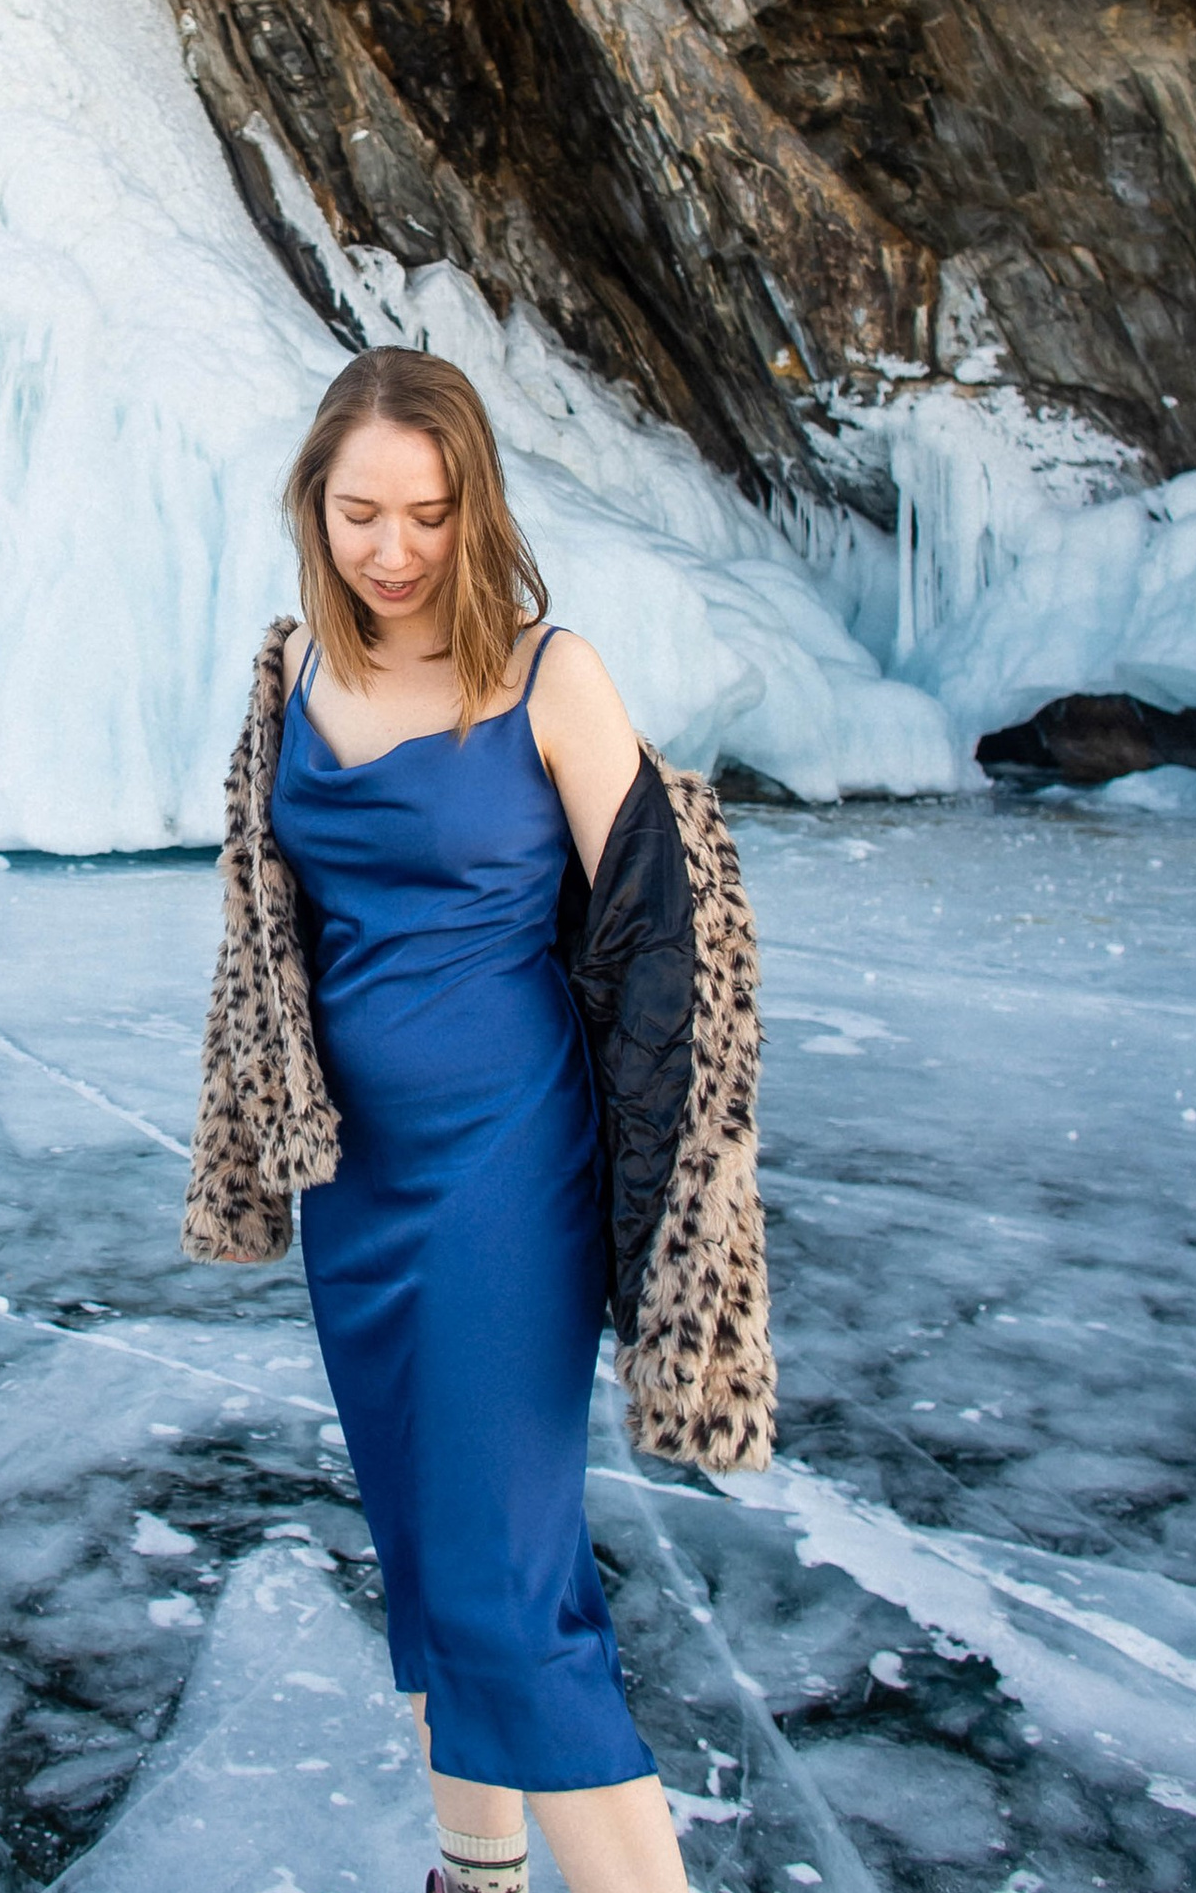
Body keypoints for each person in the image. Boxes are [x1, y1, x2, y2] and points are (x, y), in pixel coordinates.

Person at [183, 347, 775, 1893]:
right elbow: (272, 939)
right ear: (315, 502)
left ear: (475, 507)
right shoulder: (293, 674)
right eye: (361, 512)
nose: (393, 551)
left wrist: (681, 1205)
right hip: (355, 1191)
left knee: (515, 1588)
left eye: (429, 515)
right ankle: (478, 1878)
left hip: (510, 1170)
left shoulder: (546, 675)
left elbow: (664, 941)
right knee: (436, 1560)